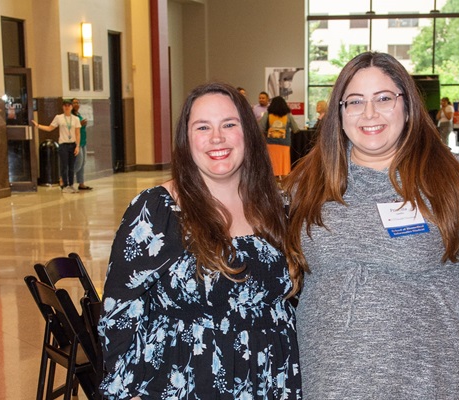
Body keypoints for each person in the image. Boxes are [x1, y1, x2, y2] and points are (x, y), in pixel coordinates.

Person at [284, 52, 459, 399]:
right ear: (338, 113)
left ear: (407, 105)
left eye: (384, 98)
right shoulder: (307, 182)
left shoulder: (453, 178)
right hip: (331, 379)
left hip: (432, 379)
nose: (369, 113)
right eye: (355, 101)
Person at [98, 82, 303, 400]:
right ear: (186, 139)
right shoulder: (158, 209)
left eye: (229, 124)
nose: (217, 138)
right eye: (203, 127)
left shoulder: (276, 205)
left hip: (271, 378)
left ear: (247, 133)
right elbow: (120, 309)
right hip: (189, 380)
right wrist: (129, 393)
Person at [32, 99, 81, 193]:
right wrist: (38, 125)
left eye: (68, 105)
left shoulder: (76, 119)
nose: (67, 107)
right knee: (64, 166)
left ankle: (71, 184)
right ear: (63, 107)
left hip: (73, 144)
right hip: (63, 145)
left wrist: (77, 146)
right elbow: (50, 128)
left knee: (71, 166)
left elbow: (78, 133)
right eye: (65, 106)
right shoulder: (59, 117)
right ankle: (65, 185)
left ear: (71, 107)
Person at [259, 96, 300, 179]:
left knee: (272, 166)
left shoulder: (267, 114)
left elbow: (260, 128)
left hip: (270, 144)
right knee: (284, 166)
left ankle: (273, 187)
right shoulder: (288, 115)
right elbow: (296, 129)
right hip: (284, 145)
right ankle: (284, 187)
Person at [72, 98, 93, 190]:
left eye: (77, 103)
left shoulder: (78, 114)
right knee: (78, 163)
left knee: (83, 162)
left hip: (83, 140)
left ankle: (81, 183)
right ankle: (67, 180)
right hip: (76, 142)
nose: (76, 104)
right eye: (74, 103)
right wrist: (80, 124)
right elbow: (71, 128)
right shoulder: (71, 116)